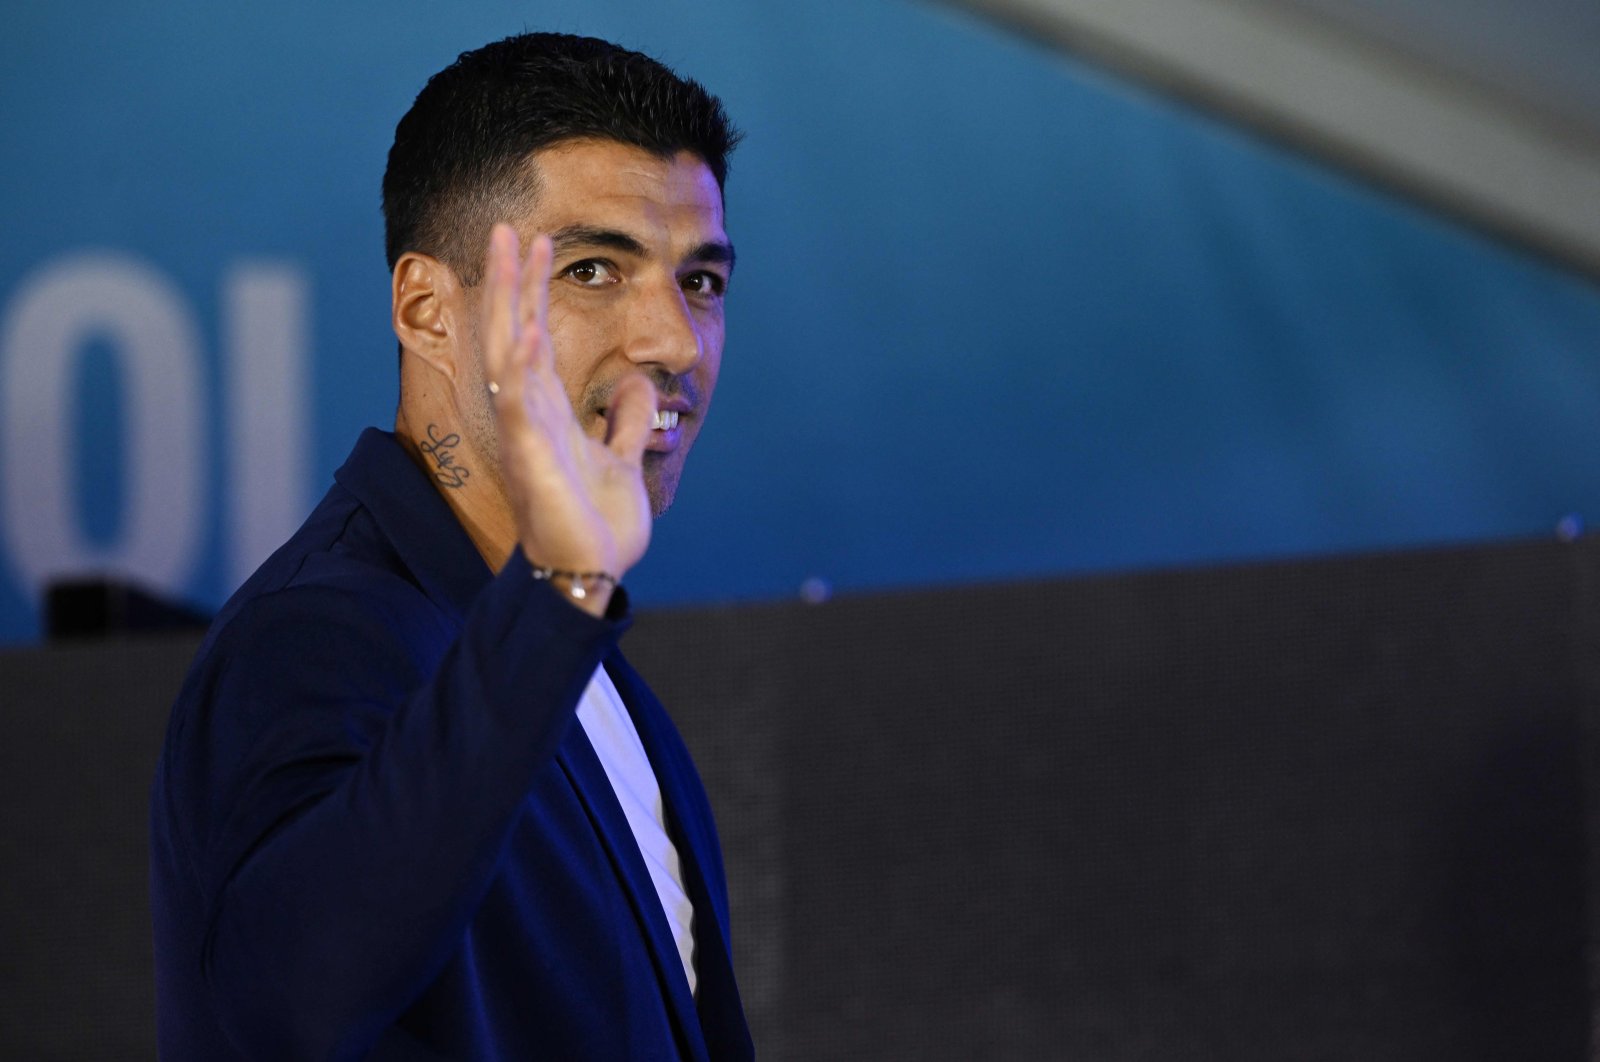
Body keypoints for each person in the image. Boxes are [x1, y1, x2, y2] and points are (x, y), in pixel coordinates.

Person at [150, 32, 753, 1060]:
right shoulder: (317, 629)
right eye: (595, 269)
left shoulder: (588, 659)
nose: (671, 342)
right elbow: (293, 1003)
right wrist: (562, 589)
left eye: (698, 281)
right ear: (428, 310)